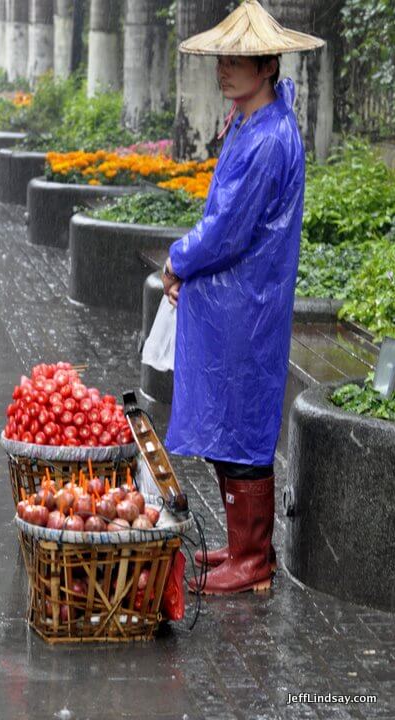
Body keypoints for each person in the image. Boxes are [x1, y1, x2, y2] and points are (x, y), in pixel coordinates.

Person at [162, 0, 325, 595]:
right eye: (221, 59)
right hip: (233, 301)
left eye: (236, 60)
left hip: (245, 305)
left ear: (267, 67)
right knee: (230, 424)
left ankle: (253, 559)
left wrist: (178, 260)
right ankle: (240, 545)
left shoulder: (267, 139)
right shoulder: (251, 123)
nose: (223, 69)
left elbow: (228, 227)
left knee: (243, 431)